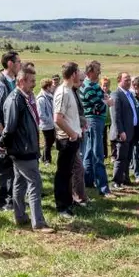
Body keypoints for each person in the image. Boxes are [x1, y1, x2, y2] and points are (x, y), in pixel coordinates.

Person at [0, 66, 54, 232]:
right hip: (22, 150)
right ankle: (38, 223)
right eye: (31, 82)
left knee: (20, 183)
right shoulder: (15, 100)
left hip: (25, 148)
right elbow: (10, 127)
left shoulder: (24, 98)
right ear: (21, 81)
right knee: (35, 183)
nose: (34, 85)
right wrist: (2, 143)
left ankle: (21, 217)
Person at [0, 51, 22, 211]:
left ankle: (11, 201)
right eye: (18, 62)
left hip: (13, 134)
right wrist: (4, 135)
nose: (20, 65)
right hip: (3, 135)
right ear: (10, 63)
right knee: (2, 169)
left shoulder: (14, 82)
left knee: (13, 168)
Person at [53, 62, 84, 219]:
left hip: (73, 138)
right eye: (78, 71)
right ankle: (62, 206)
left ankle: (69, 201)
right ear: (73, 74)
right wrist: (72, 134)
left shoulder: (70, 90)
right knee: (63, 174)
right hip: (66, 139)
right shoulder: (63, 92)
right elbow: (58, 118)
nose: (80, 74)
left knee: (69, 173)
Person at [80, 60, 111, 197]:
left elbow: (101, 98)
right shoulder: (88, 87)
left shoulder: (94, 85)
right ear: (91, 71)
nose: (100, 72)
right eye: (98, 69)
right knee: (98, 153)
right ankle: (103, 187)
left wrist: (104, 100)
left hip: (95, 120)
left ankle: (88, 181)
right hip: (93, 120)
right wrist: (107, 102)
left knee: (89, 152)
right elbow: (99, 105)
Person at [108, 72, 138, 190]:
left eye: (130, 79)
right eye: (126, 79)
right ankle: (116, 181)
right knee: (120, 158)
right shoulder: (116, 94)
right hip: (122, 133)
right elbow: (116, 115)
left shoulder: (129, 94)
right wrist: (121, 131)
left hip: (131, 131)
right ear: (119, 80)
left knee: (128, 157)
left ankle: (125, 179)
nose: (129, 81)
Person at [36, 78, 56, 165]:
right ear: (47, 87)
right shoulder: (41, 98)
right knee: (48, 142)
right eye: (51, 85)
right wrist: (51, 121)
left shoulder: (49, 95)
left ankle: (44, 157)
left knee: (50, 141)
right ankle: (47, 160)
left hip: (51, 124)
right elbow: (41, 115)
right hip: (46, 125)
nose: (53, 87)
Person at [101, 77, 113, 160]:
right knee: (103, 138)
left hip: (111, 119)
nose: (105, 87)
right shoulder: (99, 94)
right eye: (104, 85)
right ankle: (104, 154)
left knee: (113, 138)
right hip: (102, 120)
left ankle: (113, 155)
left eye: (107, 85)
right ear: (101, 85)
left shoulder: (111, 94)